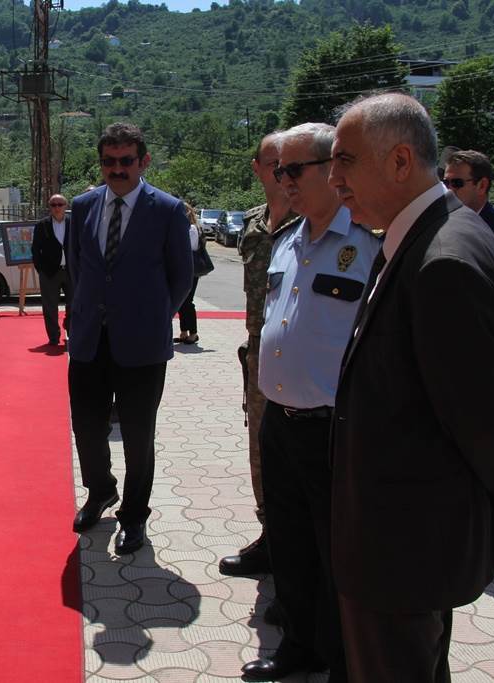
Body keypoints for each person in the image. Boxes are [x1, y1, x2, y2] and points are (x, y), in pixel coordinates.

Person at [328, 93, 494, 682]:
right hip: (404, 541)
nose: (334, 179)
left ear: (400, 160)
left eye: (345, 161)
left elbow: (482, 420)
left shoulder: (443, 260)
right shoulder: (429, 233)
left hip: (403, 549)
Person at [240, 123, 380, 682]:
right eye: (279, 171)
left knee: (335, 555)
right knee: (292, 547)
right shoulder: (286, 240)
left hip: (333, 429)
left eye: (294, 170)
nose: (283, 181)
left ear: (331, 168)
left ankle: (344, 656)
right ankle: (299, 645)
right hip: (280, 420)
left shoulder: (368, 243)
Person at [68, 122, 192, 555]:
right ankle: (100, 490)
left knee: (139, 435)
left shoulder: (168, 210)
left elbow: (182, 276)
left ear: (143, 162)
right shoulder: (82, 207)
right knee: (86, 427)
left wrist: (154, 315)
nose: (116, 169)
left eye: (125, 161)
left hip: (142, 344)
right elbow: (77, 268)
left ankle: (135, 516)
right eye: (108, 161)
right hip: (88, 340)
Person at [218, 131, 300, 579]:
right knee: (260, 449)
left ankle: (297, 548)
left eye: (289, 164)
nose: (280, 172)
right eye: (273, 164)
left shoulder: (317, 223)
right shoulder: (253, 225)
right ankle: (271, 537)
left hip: (302, 356)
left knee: (301, 454)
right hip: (260, 353)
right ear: (257, 169)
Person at [442, 149, 494, 375]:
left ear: (482, 185)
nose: (448, 189)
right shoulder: (444, 224)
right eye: (445, 181)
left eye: (456, 183)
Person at [31, 193, 73, 346]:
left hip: (71, 271)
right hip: (49, 272)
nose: (57, 208)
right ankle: (53, 337)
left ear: (66, 206)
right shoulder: (42, 225)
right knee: (50, 307)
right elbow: (36, 250)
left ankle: (71, 331)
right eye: (53, 205)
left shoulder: (74, 223)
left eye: (60, 204)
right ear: (49, 207)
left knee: (74, 305)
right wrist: (40, 269)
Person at [175, 202, 201, 344]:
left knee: (188, 302)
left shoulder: (191, 228)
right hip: (182, 268)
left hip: (191, 270)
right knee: (181, 302)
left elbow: (189, 247)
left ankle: (193, 333)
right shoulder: (183, 228)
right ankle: (184, 332)